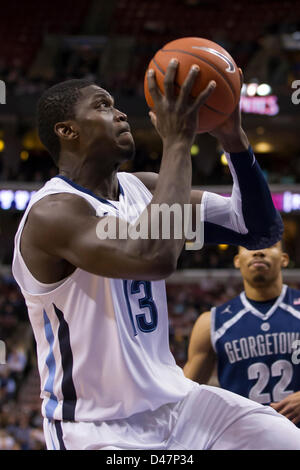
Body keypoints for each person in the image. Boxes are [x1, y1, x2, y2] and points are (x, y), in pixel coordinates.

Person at [12, 58, 300, 450]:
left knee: (285, 441)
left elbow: (258, 229)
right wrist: (178, 141)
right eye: (101, 106)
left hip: (177, 403)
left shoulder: (142, 189)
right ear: (67, 130)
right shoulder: (55, 212)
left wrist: (234, 141)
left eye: (115, 103)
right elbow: (154, 258)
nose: (120, 112)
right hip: (98, 427)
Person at [184, 241, 300, 429]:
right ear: (237, 260)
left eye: (269, 245)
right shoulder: (212, 322)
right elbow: (185, 393)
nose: (259, 252)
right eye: (250, 246)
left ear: (284, 259)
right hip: (243, 439)